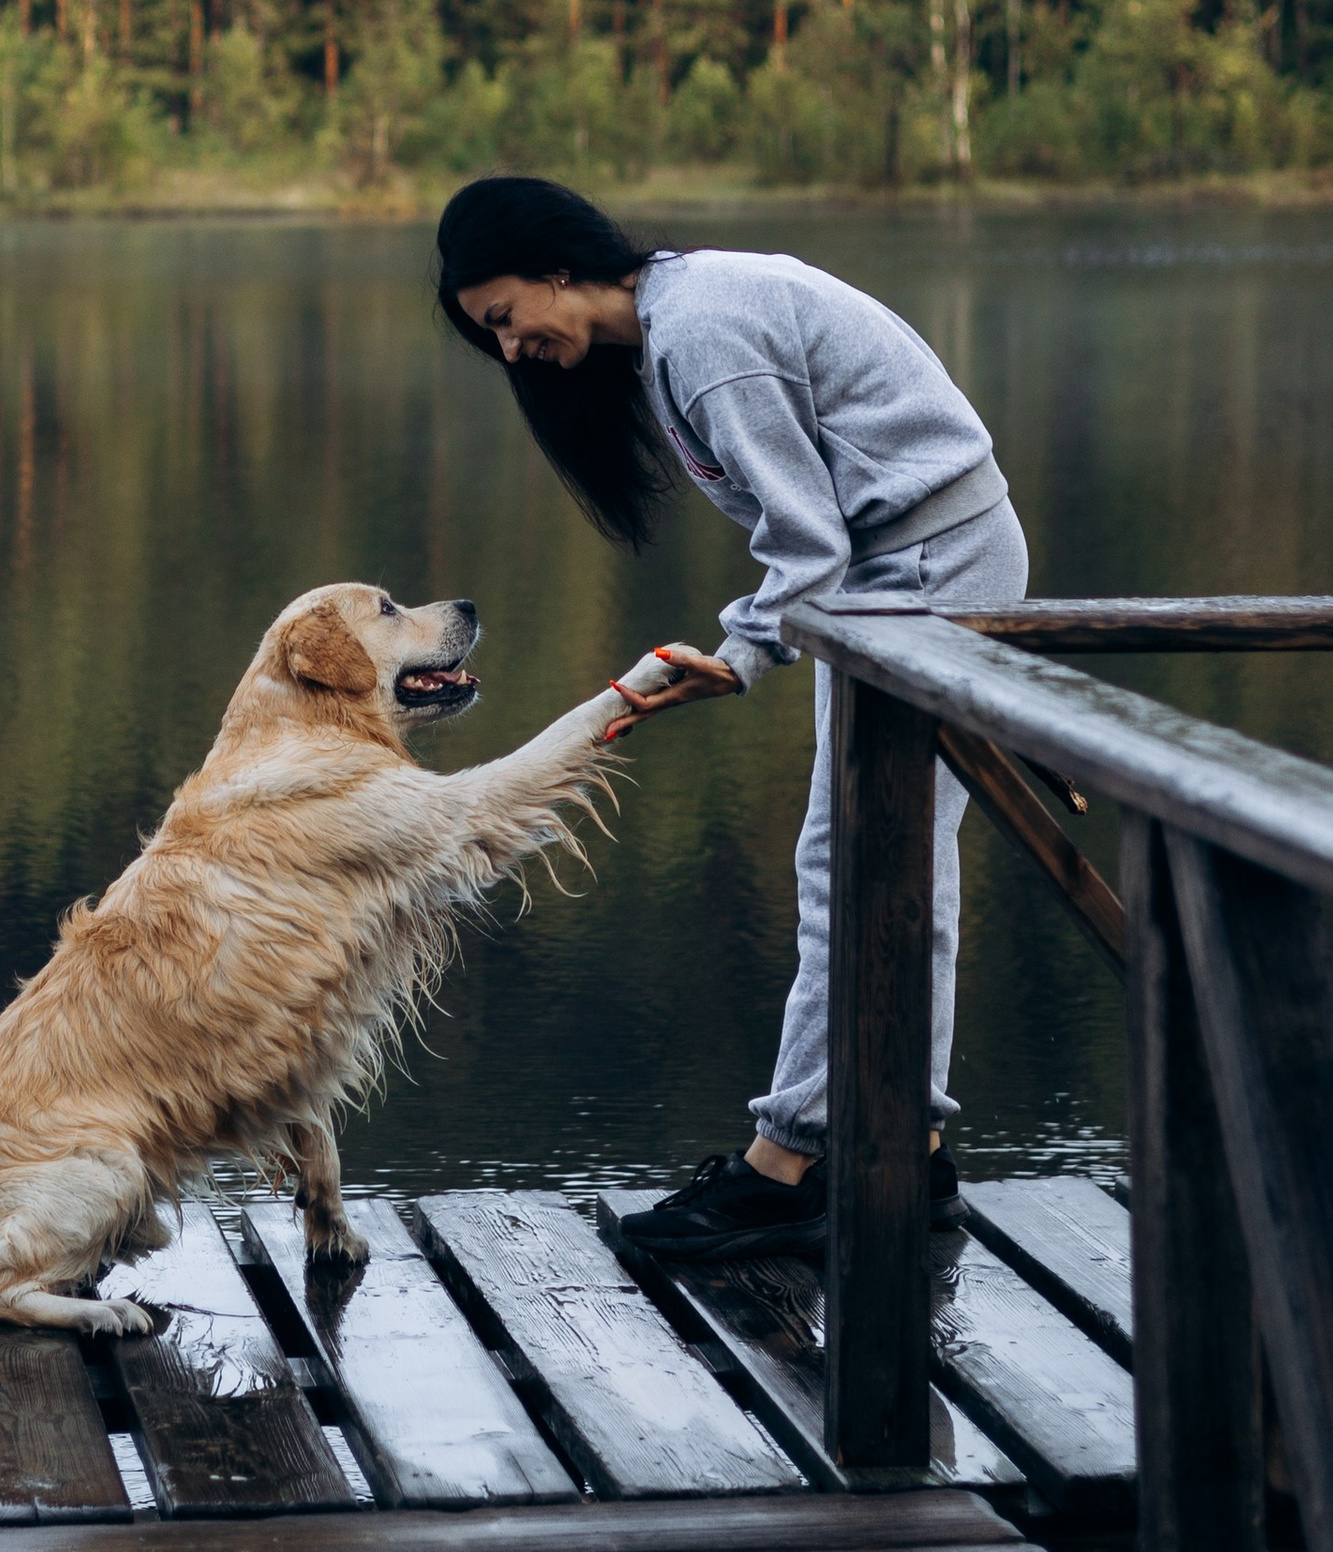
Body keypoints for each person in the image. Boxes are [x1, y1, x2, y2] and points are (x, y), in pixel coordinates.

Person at [435, 173, 1028, 1260]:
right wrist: (746, 645)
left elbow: (807, 544)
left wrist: (737, 657)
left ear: (558, 271)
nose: (511, 350)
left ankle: (784, 1167)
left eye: (508, 319)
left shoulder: (701, 333)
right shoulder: (680, 316)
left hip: (929, 572)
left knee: (856, 867)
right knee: (883, 864)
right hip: (898, 576)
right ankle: (913, 1155)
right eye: (492, 338)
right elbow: (819, 546)